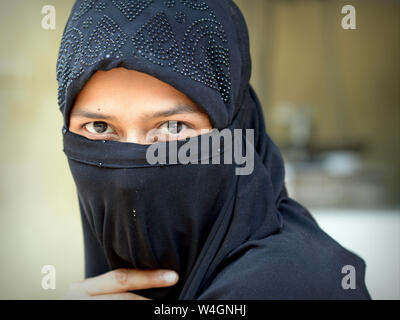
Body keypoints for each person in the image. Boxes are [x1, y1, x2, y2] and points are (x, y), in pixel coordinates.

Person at [57, 0, 371, 300]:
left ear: (237, 131)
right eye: (99, 127)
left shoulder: (287, 286)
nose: (128, 179)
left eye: (174, 127)